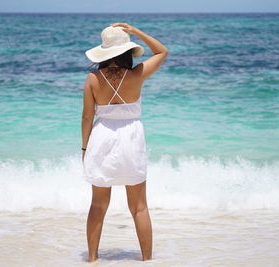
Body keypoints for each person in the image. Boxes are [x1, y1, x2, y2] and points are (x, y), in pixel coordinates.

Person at [81, 22, 168, 262]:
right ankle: (147, 260)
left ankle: (92, 258)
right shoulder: (138, 74)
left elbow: (87, 117)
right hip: (131, 137)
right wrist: (137, 32)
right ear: (128, 51)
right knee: (139, 206)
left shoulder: (92, 79)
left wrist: (84, 148)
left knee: (98, 205)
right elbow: (162, 52)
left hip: (102, 137)